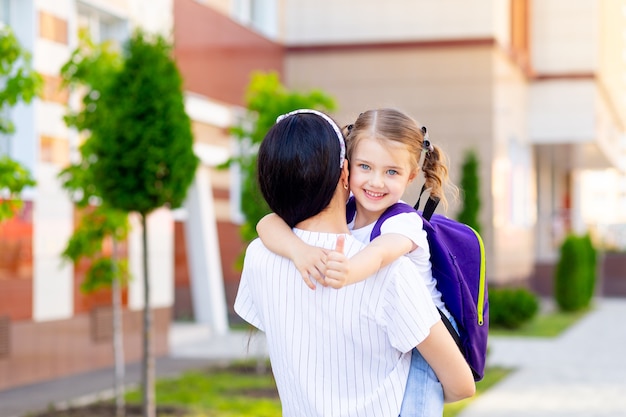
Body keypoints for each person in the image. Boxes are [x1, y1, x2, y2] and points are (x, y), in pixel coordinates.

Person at [234, 108, 474, 417]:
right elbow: (461, 386)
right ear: (346, 173)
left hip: (433, 322)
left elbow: (377, 254)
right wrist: (299, 252)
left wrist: (349, 271)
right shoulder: (387, 274)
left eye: (391, 172)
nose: (376, 182)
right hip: (414, 323)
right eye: (365, 167)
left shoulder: (259, 258)